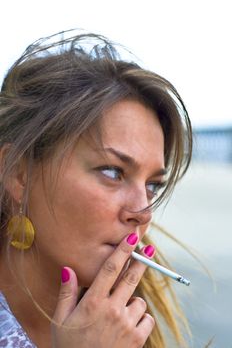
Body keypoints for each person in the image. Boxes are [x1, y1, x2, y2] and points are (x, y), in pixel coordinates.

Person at [0, 30, 192, 348]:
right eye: (112, 172)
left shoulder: (126, 328)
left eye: (152, 185)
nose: (142, 212)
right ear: (19, 173)